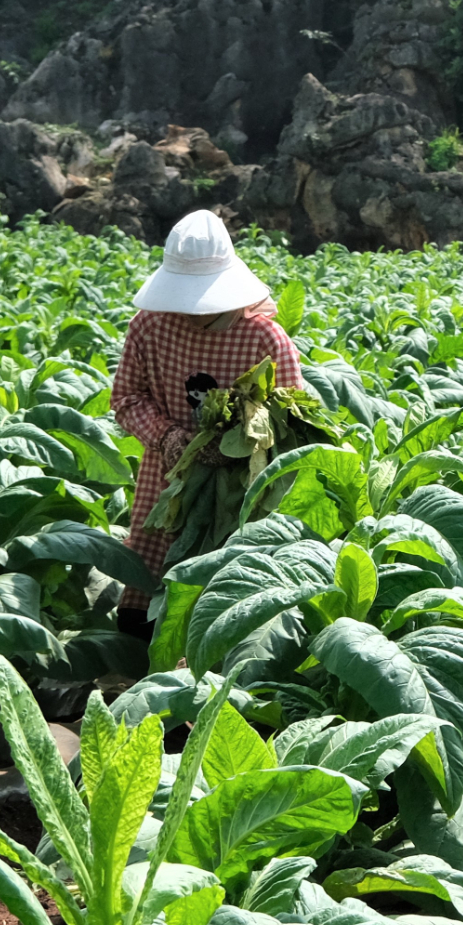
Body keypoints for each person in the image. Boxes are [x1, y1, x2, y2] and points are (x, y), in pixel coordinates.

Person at [107, 209, 303, 635]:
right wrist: (168, 437)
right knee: (141, 600)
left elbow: (294, 423)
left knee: (216, 600)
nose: (190, 310)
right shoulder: (150, 324)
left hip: (235, 495)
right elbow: (125, 398)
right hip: (163, 478)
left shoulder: (265, 339)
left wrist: (239, 442)